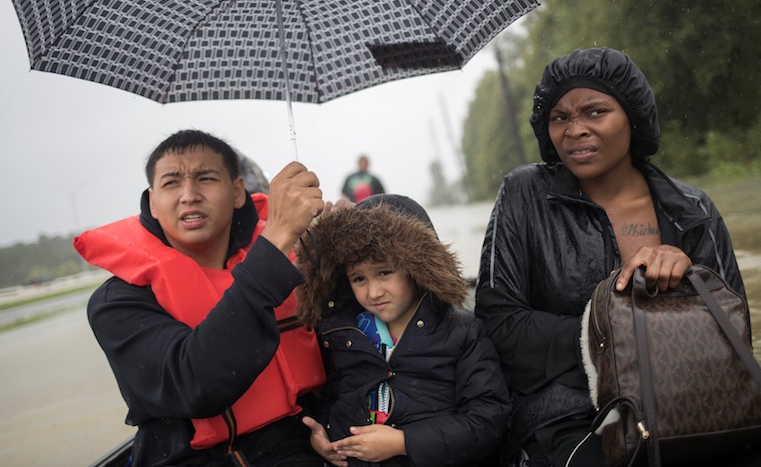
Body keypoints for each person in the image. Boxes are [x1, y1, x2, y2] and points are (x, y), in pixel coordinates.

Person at [474, 47, 761, 466]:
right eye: (560, 118)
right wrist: (613, 337)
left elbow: (736, 339)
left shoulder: (692, 210)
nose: (575, 130)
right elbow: (498, 323)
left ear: (633, 116)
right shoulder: (524, 194)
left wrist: (692, 282)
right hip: (570, 415)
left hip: (690, 403)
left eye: (595, 112)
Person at [75, 130, 327, 467]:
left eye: (206, 178)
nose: (189, 195)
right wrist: (277, 237)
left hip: (302, 445)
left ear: (238, 191)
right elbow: (193, 384)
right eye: (171, 183)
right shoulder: (117, 300)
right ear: (152, 201)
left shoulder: (301, 256)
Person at [294, 194, 511, 466]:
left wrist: (403, 442)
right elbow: (336, 399)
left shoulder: (462, 332)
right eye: (358, 278)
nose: (373, 292)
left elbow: (486, 421)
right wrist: (323, 435)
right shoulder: (344, 335)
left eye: (384, 272)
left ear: (416, 266)